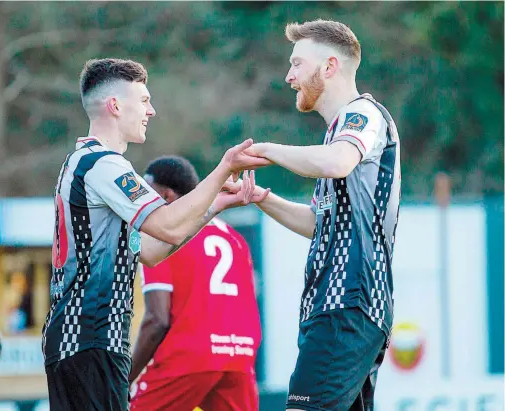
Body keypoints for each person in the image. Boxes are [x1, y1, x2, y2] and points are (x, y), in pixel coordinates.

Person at [42, 58, 269, 411]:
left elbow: (150, 249)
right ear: (115, 106)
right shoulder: (104, 164)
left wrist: (214, 207)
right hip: (89, 338)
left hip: (86, 340)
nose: (152, 110)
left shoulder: (89, 164)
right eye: (144, 99)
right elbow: (166, 223)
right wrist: (224, 167)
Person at [240, 20, 402, 410]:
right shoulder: (336, 134)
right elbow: (318, 223)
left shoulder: (361, 115)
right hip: (342, 308)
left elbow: (338, 162)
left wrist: (266, 150)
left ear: (329, 67)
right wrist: (262, 197)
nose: (288, 76)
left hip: (347, 305)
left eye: (297, 64)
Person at [129, 155, 267, 411]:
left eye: (148, 193)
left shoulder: (165, 238)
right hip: (239, 355)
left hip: (189, 357)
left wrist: (124, 377)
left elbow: (157, 320)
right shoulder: (235, 239)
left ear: (168, 196)